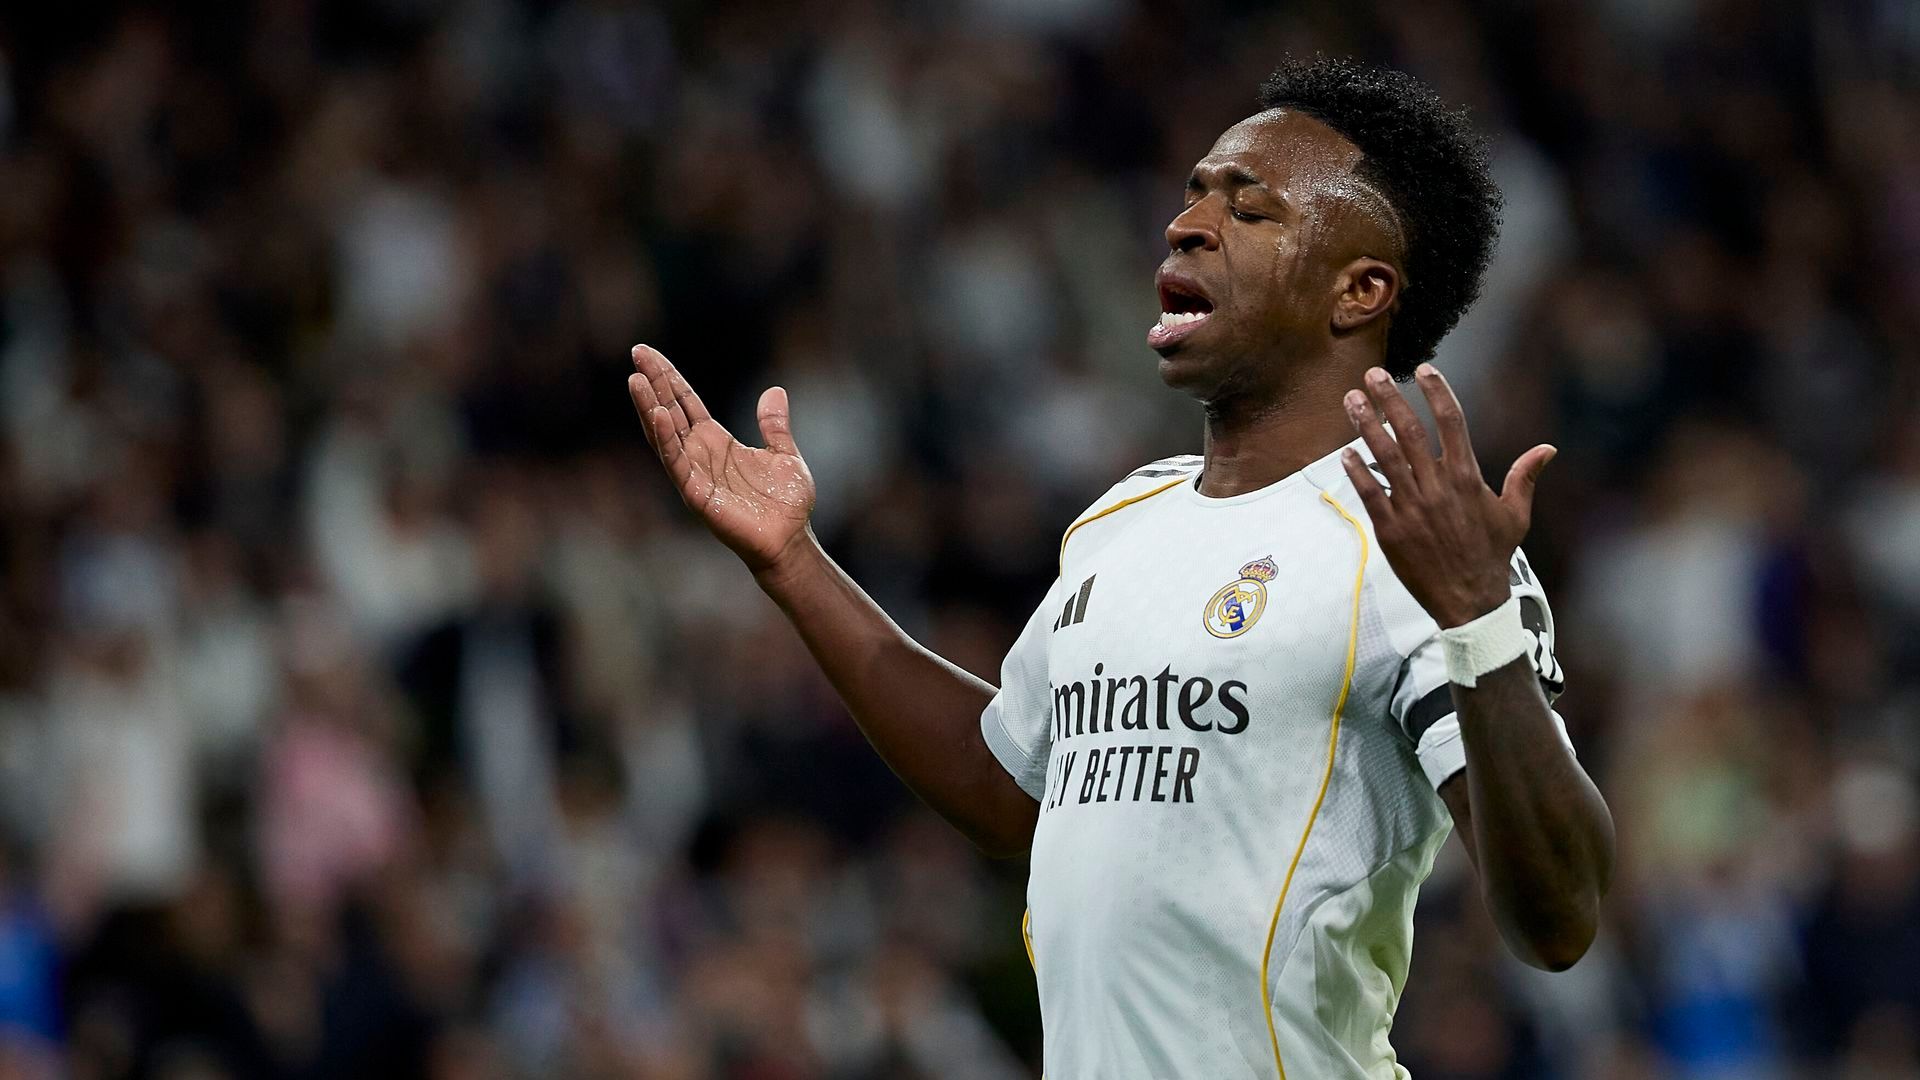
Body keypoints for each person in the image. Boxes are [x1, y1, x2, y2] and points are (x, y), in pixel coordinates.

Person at [625, 56, 1614, 1080]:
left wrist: (1478, 619)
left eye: (1252, 209)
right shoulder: (1124, 516)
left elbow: (1559, 921)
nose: (1188, 224)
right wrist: (794, 564)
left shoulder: (1416, 538)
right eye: (1193, 194)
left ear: (1359, 291)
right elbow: (1003, 784)